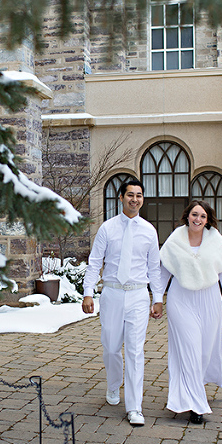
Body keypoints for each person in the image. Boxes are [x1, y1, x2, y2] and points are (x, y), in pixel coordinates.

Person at [82, 178, 164, 427]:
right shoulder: (108, 229)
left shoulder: (149, 231)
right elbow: (95, 262)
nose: (135, 199)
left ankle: (135, 407)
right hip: (112, 294)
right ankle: (113, 383)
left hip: (138, 295)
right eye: (130, 195)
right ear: (121, 198)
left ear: (143, 199)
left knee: (135, 351)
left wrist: (157, 298)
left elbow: (154, 268)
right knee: (110, 346)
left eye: (139, 195)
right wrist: (88, 292)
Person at [159, 200, 222, 424]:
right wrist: (157, 299)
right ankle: (196, 405)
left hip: (209, 300)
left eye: (202, 216)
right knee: (189, 348)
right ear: (187, 216)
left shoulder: (215, 241)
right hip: (181, 300)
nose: (198, 219)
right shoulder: (175, 240)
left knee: (203, 352)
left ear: (208, 219)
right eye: (194, 214)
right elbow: (164, 272)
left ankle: (193, 391)